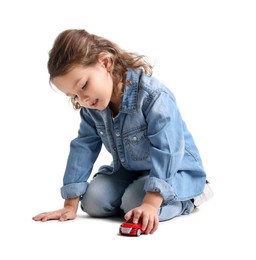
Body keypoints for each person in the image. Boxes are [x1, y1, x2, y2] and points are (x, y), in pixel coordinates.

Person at [32, 29, 213, 234]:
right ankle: (136, 198)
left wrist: (151, 204)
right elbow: (84, 146)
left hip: (174, 170)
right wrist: (70, 204)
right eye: (73, 95)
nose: (82, 100)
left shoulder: (153, 96)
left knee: (134, 201)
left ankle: (188, 199)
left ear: (105, 63)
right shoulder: (92, 107)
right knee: (93, 202)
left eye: (83, 85)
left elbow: (168, 149)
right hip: (132, 169)